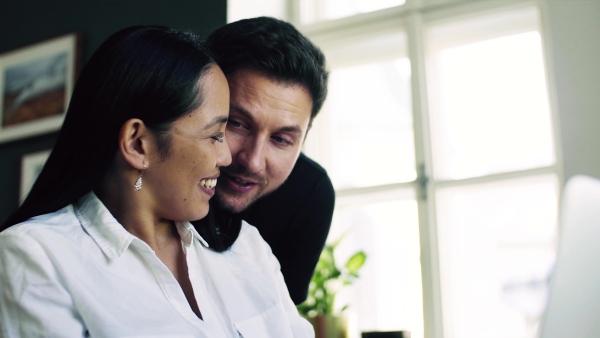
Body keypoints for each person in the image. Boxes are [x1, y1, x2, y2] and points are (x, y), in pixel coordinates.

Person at [0, 26, 313, 337]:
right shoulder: (36, 256)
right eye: (218, 134)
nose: (228, 158)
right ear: (138, 144)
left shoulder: (248, 246)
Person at [205, 16, 335, 305]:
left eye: (281, 139)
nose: (252, 161)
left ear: (304, 138)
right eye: (237, 124)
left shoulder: (310, 194)